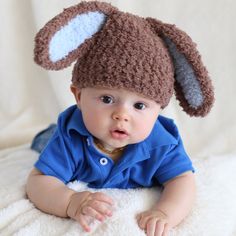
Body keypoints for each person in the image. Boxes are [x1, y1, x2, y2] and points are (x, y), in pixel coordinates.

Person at [26, 1, 214, 236]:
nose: (122, 115)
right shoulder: (70, 134)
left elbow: (183, 181)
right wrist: (70, 202)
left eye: (139, 105)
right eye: (106, 99)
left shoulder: (163, 143)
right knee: (45, 139)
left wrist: (166, 212)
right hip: (55, 135)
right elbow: (39, 181)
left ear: (159, 110)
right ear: (79, 95)